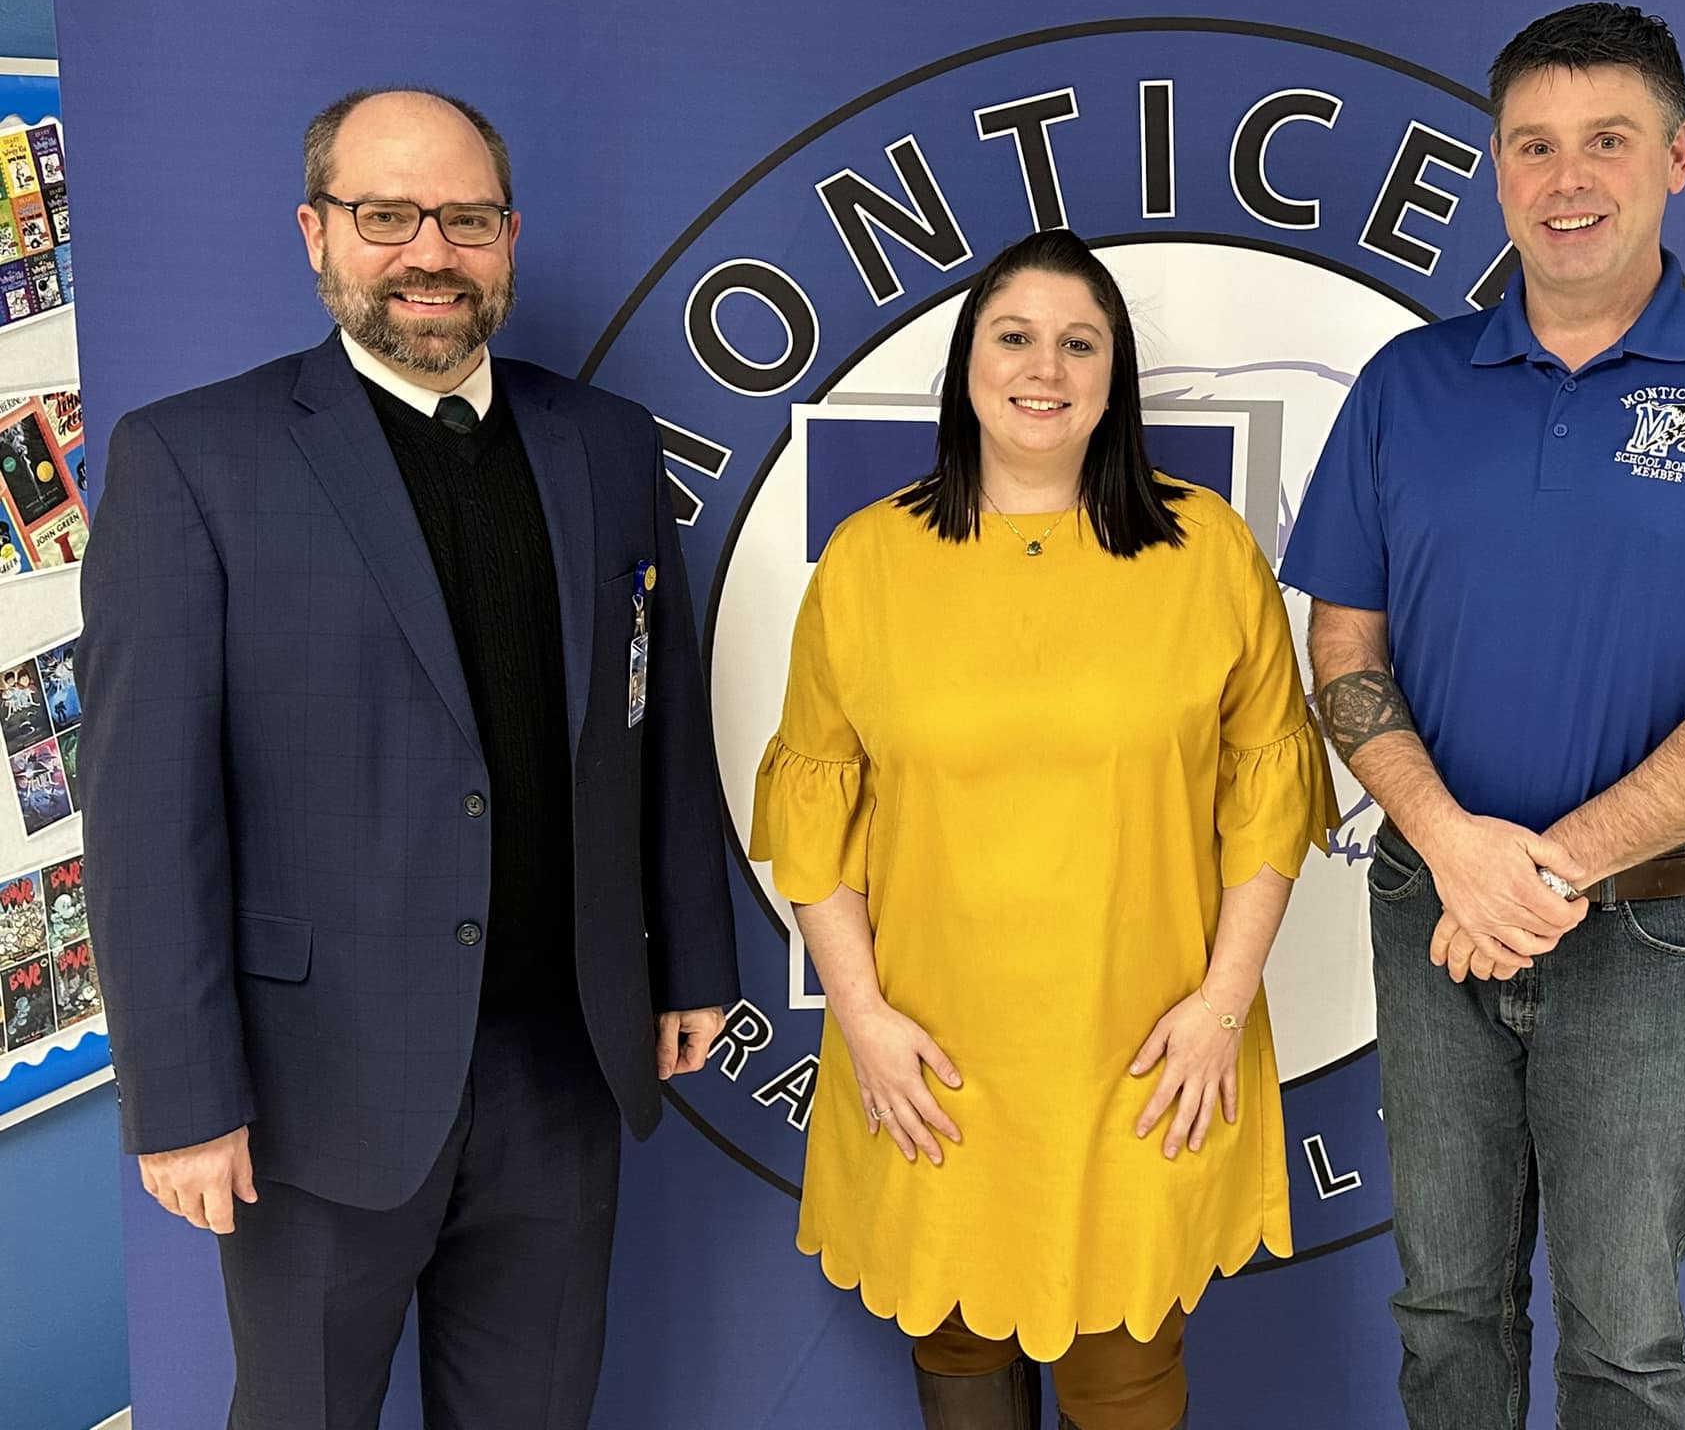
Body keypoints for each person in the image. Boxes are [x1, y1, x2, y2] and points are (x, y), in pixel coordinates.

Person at [76, 87, 739, 1430]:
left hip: (564, 1065)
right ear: (315, 234)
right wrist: (182, 1096)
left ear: (506, 237)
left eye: (466, 218)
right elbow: (146, 817)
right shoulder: (193, 460)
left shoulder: (604, 445)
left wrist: (695, 957)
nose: (428, 252)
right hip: (313, 1097)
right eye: (387, 216)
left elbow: (653, 717)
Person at [1281, 3, 1685, 1429]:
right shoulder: (1406, 388)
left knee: (1624, 1340)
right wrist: (1457, 850)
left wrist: (1543, 871)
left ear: (1676, 155)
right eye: (1534, 145)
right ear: (1498, 170)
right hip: (1434, 909)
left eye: (1606, 142)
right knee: (1446, 1315)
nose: (1569, 178)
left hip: (1649, 934)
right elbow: (1342, 652)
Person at [749, 228, 1335, 1430]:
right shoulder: (867, 561)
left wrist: (1221, 1003)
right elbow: (815, 809)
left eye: (1080, 343)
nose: (1044, 368)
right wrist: (859, 1016)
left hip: (1145, 1050)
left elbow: (1268, 798)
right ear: (967, 362)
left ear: (1113, 375)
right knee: (959, 1355)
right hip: (932, 1053)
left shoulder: (1207, 549)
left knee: (1124, 1371)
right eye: (1014, 337)